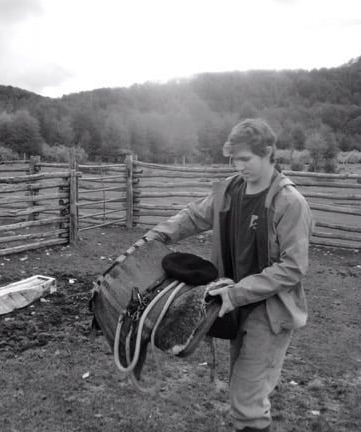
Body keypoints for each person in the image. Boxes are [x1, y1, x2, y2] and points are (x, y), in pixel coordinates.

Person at [141, 118, 314, 432]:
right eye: (234, 159)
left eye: (246, 159)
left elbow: (293, 267)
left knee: (246, 400)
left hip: (269, 310)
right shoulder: (231, 189)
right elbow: (195, 215)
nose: (239, 165)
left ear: (269, 153)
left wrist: (236, 293)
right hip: (234, 307)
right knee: (244, 387)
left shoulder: (290, 203)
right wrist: (155, 236)